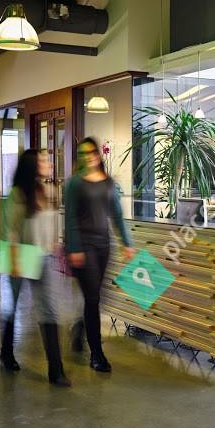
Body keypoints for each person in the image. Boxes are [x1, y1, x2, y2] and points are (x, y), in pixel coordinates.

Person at [0, 149, 71, 387]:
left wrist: (56, 245)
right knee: (11, 306)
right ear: (32, 165)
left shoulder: (50, 191)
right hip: (20, 255)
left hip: (44, 257)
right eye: (43, 160)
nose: (48, 163)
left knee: (49, 309)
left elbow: (53, 224)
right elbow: (11, 231)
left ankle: (56, 370)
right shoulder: (17, 194)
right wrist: (14, 262)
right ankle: (6, 353)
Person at [65, 137, 134, 373]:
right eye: (83, 153)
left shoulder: (108, 183)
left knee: (95, 297)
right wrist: (74, 248)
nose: (88, 157)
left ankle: (80, 328)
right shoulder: (74, 184)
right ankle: (96, 354)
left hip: (104, 246)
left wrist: (126, 243)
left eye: (91, 152)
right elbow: (70, 218)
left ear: (98, 154)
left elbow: (116, 215)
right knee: (93, 298)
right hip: (82, 247)